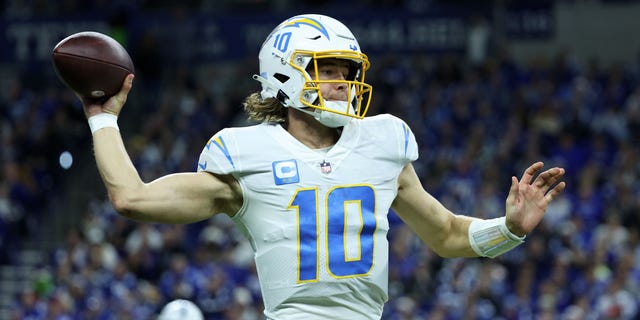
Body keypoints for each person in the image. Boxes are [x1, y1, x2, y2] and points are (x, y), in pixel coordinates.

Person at [79, 14, 566, 320]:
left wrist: (510, 228)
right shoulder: (243, 155)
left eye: (347, 72)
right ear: (283, 73)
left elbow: (447, 234)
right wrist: (104, 121)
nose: (341, 83)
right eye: (326, 69)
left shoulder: (382, 142)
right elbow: (132, 198)